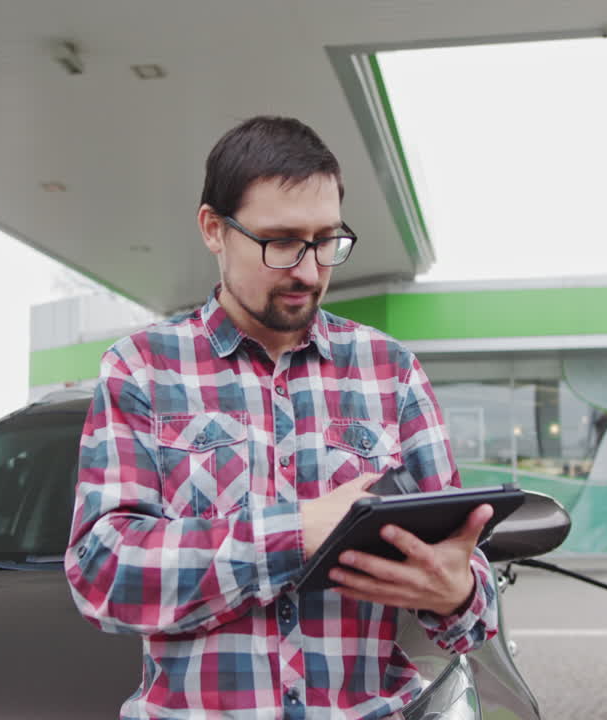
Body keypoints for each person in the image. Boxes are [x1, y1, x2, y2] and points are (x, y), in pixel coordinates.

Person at [65, 115, 498, 719]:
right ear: (214, 229)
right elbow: (102, 574)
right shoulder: (142, 371)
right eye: (282, 241)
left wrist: (459, 592)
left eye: (327, 241)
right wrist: (295, 533)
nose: (308, 270)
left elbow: (468, 603)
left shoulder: (390, 370)